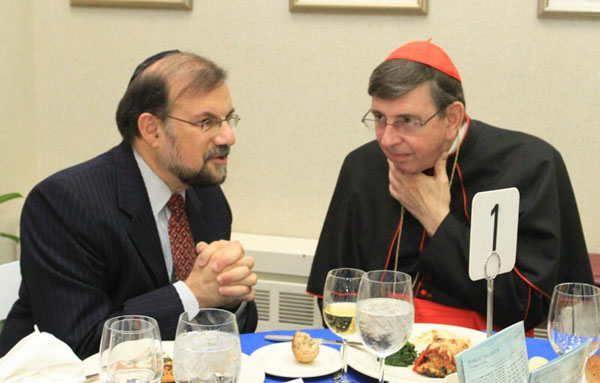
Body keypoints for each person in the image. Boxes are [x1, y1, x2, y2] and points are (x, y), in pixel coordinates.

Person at [307, 40, 593, 332]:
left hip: (481, 358)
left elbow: (525, 308)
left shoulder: (529, 165)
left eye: (406, 121)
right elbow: (337, 294)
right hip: (377, 353)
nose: (387, 139)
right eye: (380, 118)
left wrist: (437, 220)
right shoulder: (362, 166)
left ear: (451, 119)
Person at [0, 50, 258, 359]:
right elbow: (80, 344)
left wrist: (230, 294)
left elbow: (225, 327)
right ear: (152, 130)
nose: (228, 136)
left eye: (228, 119)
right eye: (207, 122)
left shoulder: (206, 195)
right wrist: (194, 294)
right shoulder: (65, 204)